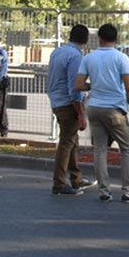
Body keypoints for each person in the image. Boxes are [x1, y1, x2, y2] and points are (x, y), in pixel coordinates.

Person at [74, 23, 129, 203]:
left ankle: (104, 190)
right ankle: (128, 190)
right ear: (117, 39)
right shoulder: (121, 58)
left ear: (99, 38)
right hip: (114, 109)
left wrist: (94, 86)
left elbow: (79, 85)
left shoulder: (88, 58)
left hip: (94, 107)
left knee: (99, 149)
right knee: (127, 149)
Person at [46, 24, 94, 195]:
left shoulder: (58, 51)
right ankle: (59, 182)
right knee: (66, 142)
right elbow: (75, 88)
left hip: (57, 100)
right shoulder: (75, 56)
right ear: (86, 39)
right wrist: (81, 113)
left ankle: (76, 178)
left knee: (72, 141)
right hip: (68, 104)